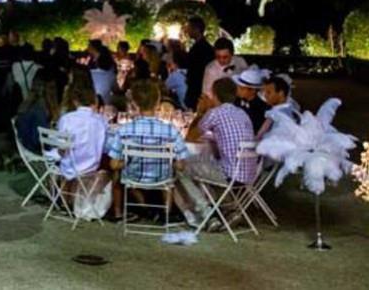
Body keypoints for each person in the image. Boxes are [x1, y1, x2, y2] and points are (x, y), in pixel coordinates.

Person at [105, 80, 188, 220]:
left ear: (134, 104)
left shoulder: (125, 130)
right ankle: (166, 212)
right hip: (162, 178)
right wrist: (171, 162)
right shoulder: (171, 130)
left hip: (134, 177)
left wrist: (126, 162)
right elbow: (181, 166)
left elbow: (113, 164)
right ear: (157, 104)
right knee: (171, 174)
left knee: (118, 176)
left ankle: (129, 210)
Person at [180, 78, 258, 226]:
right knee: (208, 162)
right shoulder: (242, 113)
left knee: (181, 166)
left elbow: (190, 136)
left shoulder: (215, 113)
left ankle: (205, 211)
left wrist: (201, 111)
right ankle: (230, 210)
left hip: (229, 176)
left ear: (214, 95)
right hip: (249, 174)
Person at [54, 82, 108, 182]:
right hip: (92, 167)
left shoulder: (66, 119)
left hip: (69, 169)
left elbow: (62, 148)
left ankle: (60, 192)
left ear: (75, 101)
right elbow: (105, 147)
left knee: (57, 154)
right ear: (94, 101)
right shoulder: (102, 120)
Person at [14, 75, 59, 154]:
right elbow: (37, 140)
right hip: (36, 151)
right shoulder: (38, 111)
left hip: (29, 149)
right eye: (53, 88)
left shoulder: (29, 105)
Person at [183, 17, 215, 108]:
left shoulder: (201, 48)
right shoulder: (205, 47)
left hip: (197, 89)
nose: (187, 31)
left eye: (189, 28)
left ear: (196, 29)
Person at [231, 66, 270, 133]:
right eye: (238, 87)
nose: (238, 90)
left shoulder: (263, 109)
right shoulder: (233, 102)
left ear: (253, 91)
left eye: (242, 88)